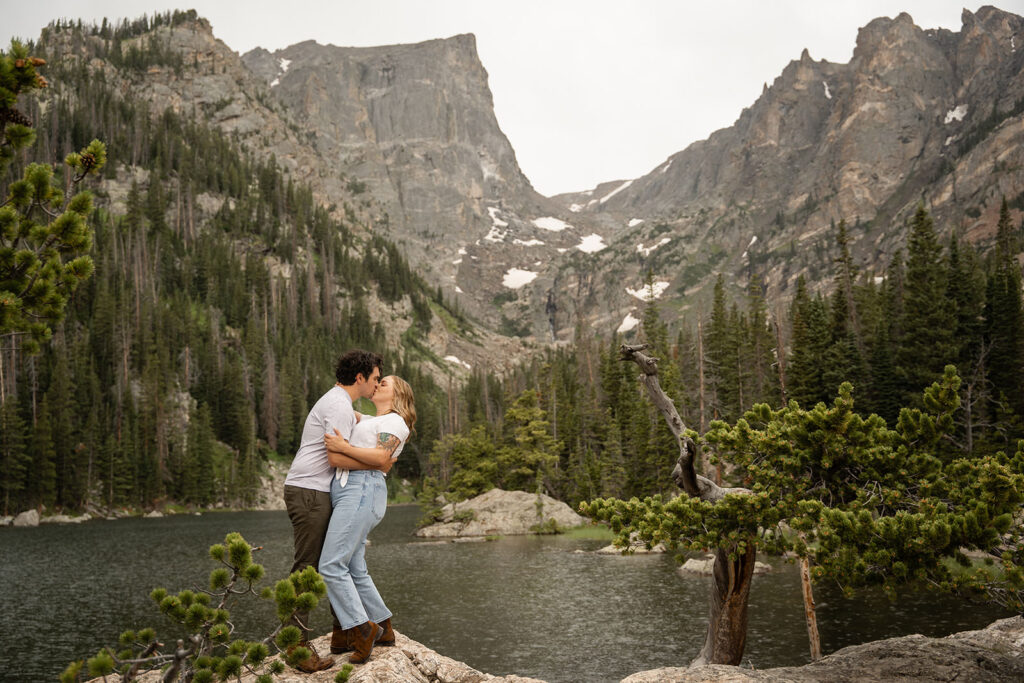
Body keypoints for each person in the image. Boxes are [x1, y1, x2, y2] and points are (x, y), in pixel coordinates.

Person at [282, 349, 383, 673]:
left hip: (315, 491)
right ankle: (296, 647)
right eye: (375, 378)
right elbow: (336, 458)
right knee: (308, 568)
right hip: (309, 491)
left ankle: (344, 632)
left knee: (333, 561)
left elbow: (359, 430)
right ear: (360, 377)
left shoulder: (341, 404)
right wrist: (379, 463)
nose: (376, 385)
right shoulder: (339, 405)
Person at [319, 375, 417, 664]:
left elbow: (380, 457)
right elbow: (345, 408)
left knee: (331, 565)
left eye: (384, 384)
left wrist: (342, 447)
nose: (378, 385)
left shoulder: (396, 422)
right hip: (354, 490)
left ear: (397, 395)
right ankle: (383, 625)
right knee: (353, 566)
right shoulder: (373, 420)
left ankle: (362, 629)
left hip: (362, 490)